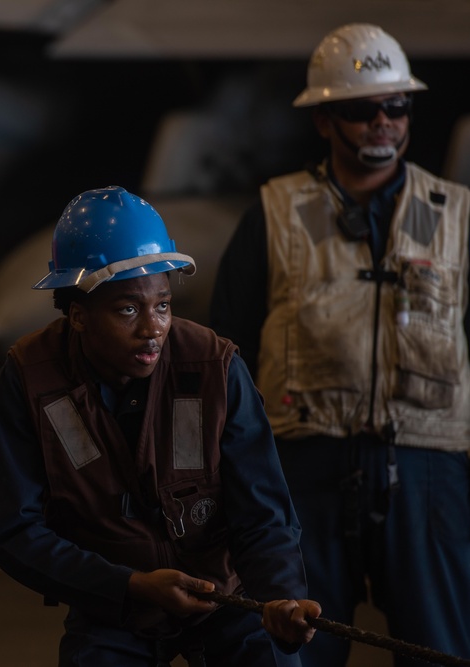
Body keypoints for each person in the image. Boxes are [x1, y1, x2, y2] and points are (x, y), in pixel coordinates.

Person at [210, 23, 470, 667]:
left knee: (439, 648)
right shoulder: (274, 213)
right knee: (297, 648)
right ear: (325, 120)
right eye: (361, 109)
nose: (383, 121)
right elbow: (223, 358)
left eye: (397, 105)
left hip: (429, 475)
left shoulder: (455, 217)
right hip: (302, 475)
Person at [0, 185, 321, 666]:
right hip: (115, 607)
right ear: (78, 315)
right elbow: (14, 532)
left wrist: (281, 596)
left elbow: (263, 514)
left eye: (162, 304)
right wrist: (128, 586)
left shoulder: (213, 366)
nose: (153, 328)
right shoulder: (32, 378)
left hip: (228, 601)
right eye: (128, 309)